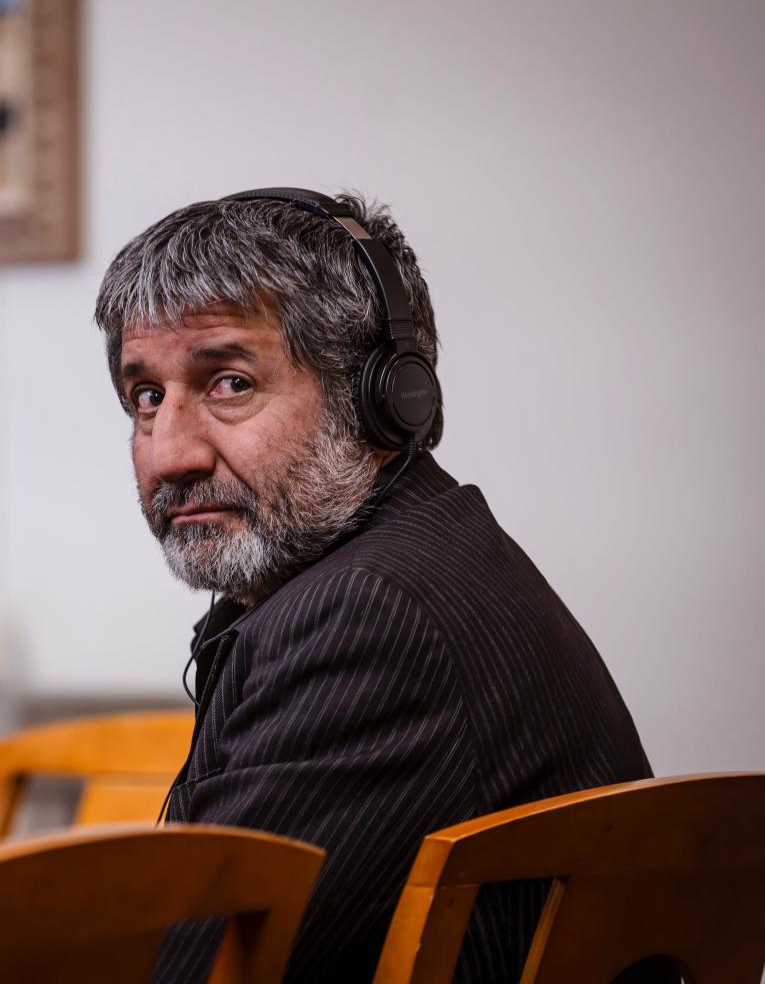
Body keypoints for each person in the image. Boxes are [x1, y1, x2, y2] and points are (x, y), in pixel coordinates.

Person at [95, 189, 652, 984]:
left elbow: (194, 972)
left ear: (382, 403)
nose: (169, 453)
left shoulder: (367, 614)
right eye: (146, 397)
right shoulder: (418, 556)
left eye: (228, 382)